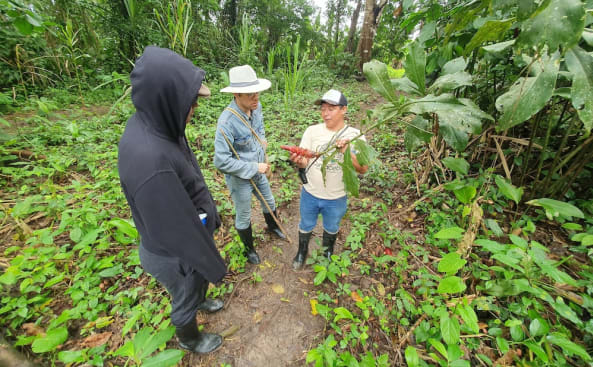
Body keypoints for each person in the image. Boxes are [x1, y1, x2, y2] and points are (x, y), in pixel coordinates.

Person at [118, 46, 226, 354]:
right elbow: (176, 233)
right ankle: (190, 337)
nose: (194, 108)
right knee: (185, 293)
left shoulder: (159, 123)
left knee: (197, 281)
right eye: (191, 102)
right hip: (174, 252)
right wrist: (209, 261)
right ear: (166, 98)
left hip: (188, 228)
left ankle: (201, 298)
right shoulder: (151, 160)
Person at [214, 65, 285, 265]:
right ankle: (249, 249)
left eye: (257, 93)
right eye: (250, 94)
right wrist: (254, 167)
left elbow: (259, 128)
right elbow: (220, 161)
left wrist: (262, 144)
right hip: (240, 176)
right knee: (244, 214)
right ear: (237, 94)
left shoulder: (256, 107)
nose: (256, 98)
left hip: (259, 166)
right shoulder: (226, 122)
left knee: (269, 201)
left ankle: (273, 226)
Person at [290, 89, 369, 269]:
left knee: (332, 226)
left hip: (336, 196)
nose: (325, 113)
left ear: (344, 110)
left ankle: (327, 252)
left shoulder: (355, 135)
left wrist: (346, 151)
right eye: (323, 108)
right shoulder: (312, 131)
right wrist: (299, 162)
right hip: (310, 192)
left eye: (331, 108)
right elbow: (303, 162)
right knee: (306, 223)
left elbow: (363, 168)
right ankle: (302, 251)